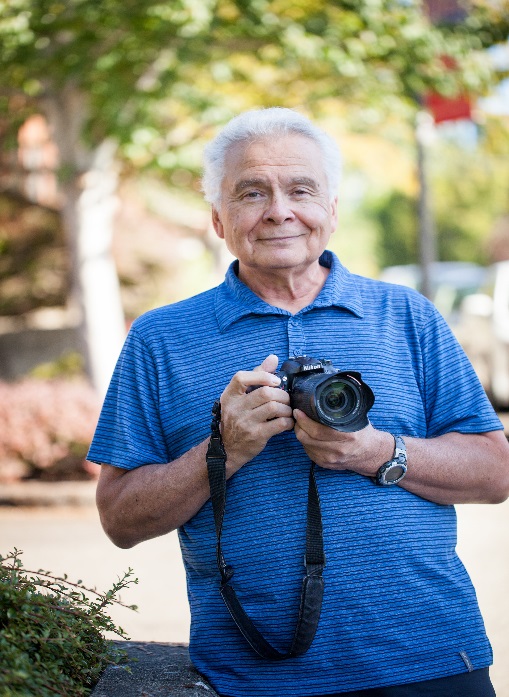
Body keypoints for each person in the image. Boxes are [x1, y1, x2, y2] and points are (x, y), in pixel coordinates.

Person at [88, 107, 509, 697]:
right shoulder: (162, 338)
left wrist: (373, 451)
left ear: (331, 211)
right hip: (259, 674)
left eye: (301, 189)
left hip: (435, 657)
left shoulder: (405, 314)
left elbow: (495, 471)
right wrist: (223, 451)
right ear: (218, 219)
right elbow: (119, 519)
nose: (279, 210)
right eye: (251, 192)